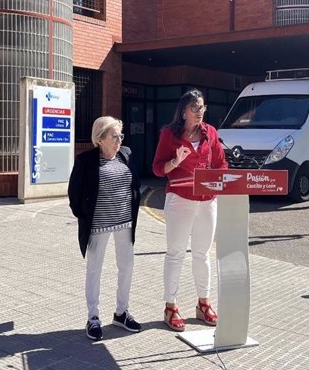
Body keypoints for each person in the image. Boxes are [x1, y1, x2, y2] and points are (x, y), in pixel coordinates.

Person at [152, 89, 228, 331]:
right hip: (180, 199)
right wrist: (176, 161)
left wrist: (217, 179)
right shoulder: (169, 134)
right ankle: (171, 306)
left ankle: (203, 303)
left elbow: (221, 164)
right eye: (195, 108)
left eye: (203, 107)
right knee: (175, 253)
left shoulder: (211, 133)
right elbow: (157, 169)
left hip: (207, 200)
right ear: (183, 111)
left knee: (202, 253)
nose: (200, 112)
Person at [68, 116, 142, 341]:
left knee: (126, 267)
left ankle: (121, 312)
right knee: (94, 269)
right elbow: (75, 194)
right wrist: (85, 215)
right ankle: (93, 317)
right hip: (99, 225)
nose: (119, 140)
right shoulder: (86, 161)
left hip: (125, 222)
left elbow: (134, 184)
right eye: (114, 136)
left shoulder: (125, 155)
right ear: (100, 139)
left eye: (121, 135)